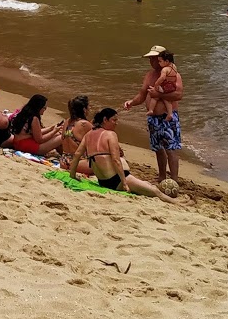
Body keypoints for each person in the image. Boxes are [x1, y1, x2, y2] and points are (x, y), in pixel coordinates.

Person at [65, 109, 182, 204]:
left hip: (103, 181)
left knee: (146, 185)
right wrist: (125, 183)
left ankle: (139, 184)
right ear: (105, 120)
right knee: (156, 191)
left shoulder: (89, 134)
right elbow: (115, 160)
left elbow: (77, 155)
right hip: (116, 181)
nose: (116, 123)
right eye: (114, 120)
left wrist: (72, 175)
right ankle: (179, 203)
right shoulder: (111, 135)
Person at [123, 45, 183, 186]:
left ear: (162, 59)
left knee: (171, 148)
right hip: (153, 117)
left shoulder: (173, 74)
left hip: (168, 116)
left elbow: (179, 95)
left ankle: (174, 179)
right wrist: (131, 102)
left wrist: (159, 94)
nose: (152, 61)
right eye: (150, 58)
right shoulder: (149, 75)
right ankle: (162, 176)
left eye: (154, 58)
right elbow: (142, 94)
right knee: (158, 148)